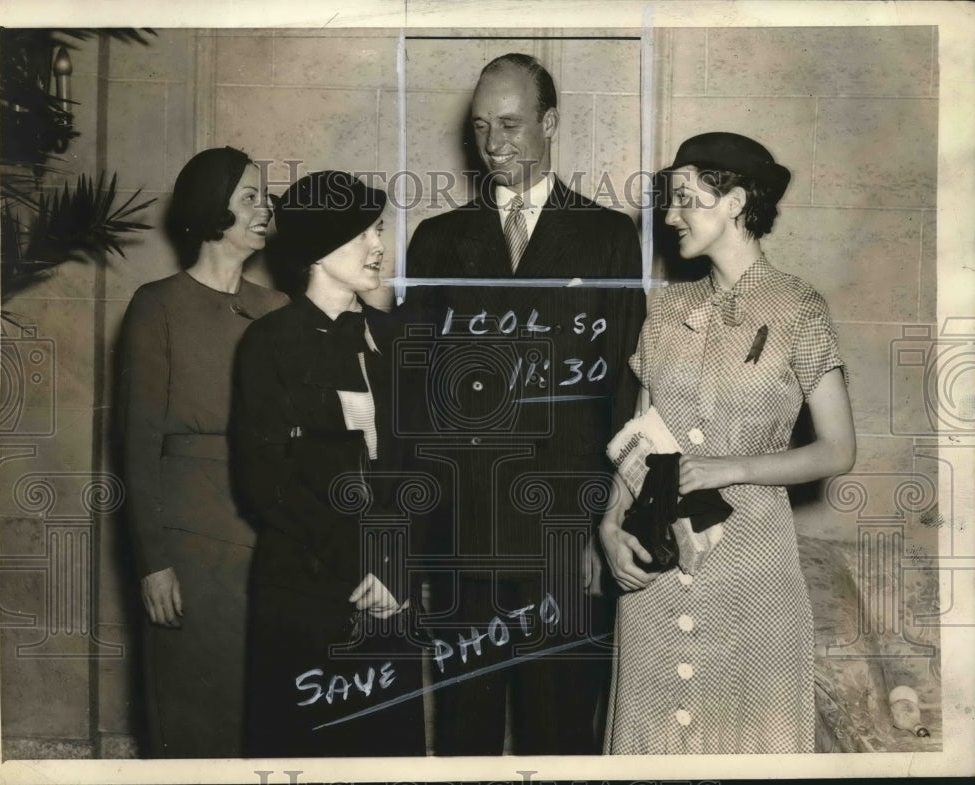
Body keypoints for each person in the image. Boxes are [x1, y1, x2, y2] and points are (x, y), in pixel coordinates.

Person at [406, 52, 645, 755]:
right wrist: (420, 550)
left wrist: (608, 523)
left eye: (510, 124)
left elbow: (624, 396)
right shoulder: (437, 240)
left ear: (550, 123)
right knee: (462, 739)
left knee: (562, 735)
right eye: (481, 127)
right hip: (463, 545)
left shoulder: (606, 237)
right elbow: (416, 408)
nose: (494, 144)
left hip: (564, 543)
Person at [599, 132, 856, 754]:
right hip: (659, 565)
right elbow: (637, 436)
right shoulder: (664, 311)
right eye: (669, 200)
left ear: (736, 201)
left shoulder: (799, 309)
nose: (669, 216)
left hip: (753, 572)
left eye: (686, 199)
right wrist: (609, 525)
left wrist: (727, 467)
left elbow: (837, 449)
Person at [232, 171, 427, 757]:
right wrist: (355, 566)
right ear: (319, 247)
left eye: (380, 228)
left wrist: (395, 568)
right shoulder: (269, 344)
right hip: (307, 596)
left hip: (389, 597)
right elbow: (265, 484)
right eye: (365, 231)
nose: (379, 245)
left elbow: (421, 470)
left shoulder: (393, 341)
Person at [118, 146, 288, 757]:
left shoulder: (278, 309)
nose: (265, 208)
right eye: (250, 197)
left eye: (264, 196)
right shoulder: (156, 306)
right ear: (212, 209)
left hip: (270, 544)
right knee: (195, 726)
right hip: (190, 549)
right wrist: (152, 562)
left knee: (266, 724)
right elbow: (137, 445)